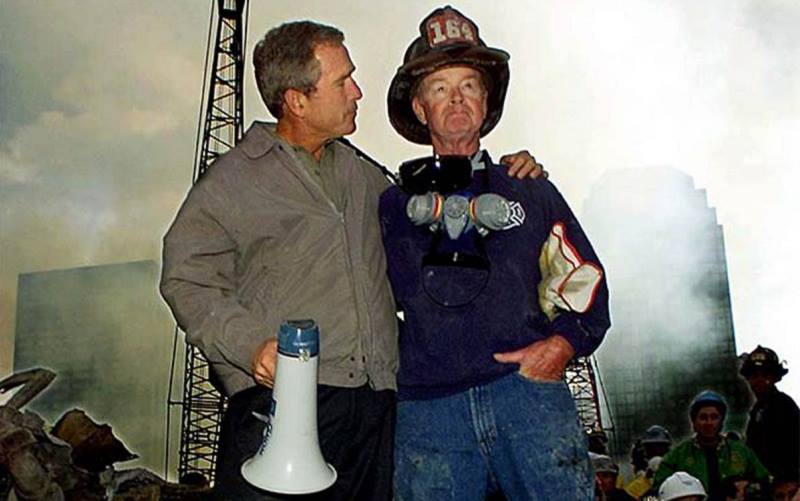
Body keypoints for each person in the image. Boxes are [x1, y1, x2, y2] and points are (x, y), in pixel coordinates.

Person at [160, 19, 544, 501]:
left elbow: (442, 233)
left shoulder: (366, 178)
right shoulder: (233, 182)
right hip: (282, 404)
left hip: (375, 410)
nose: (358, 92)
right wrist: (250, 346)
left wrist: (508, 178)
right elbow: (186, 278)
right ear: (298, 101)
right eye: (343, 82)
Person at [379, 6, 611, 499]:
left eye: (469, 85)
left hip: (527, 399)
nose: (456, 98)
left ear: (486, 101)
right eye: (439, 88)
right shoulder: (392, 205)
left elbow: (585, 280)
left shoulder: (530, 189)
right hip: (429, 414)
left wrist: (561, 347)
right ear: (420, 109)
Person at [653, 390, 770, 501]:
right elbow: (657, 491)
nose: (709, 423)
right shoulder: (677, 456)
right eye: (703, 417)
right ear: (694, 422)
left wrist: (747, 487)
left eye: (714, 417)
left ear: (721, 420)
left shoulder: (741, 451)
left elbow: (766, 482)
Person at [740, 345, 799, 480]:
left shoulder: (784, 405)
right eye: (754, 375)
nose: (759, 380)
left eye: (765, 375)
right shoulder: (757, 410)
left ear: (774, 378)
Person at [627, 425, 673, 499]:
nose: (656, 452)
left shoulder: (677, 480)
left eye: (661, 447)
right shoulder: (635, 488)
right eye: (651, 448)